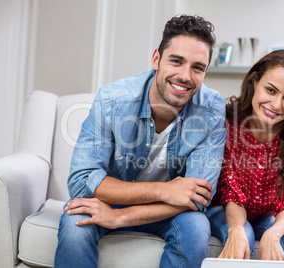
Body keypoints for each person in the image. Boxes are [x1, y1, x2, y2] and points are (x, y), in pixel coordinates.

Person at [54, 15, 226, 268]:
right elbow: (82, 182)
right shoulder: (113, 100)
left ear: (205, 71)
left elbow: (197, 199)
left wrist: (119, 218)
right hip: (125, 199)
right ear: (156, 59)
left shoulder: (212, 109)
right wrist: (165, 190)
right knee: (75, 220)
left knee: (196, 225)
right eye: (176, 61)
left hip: (169, 211)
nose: (185, 76)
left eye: (197, 67)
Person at [206, 49, 284, 261]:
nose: (276, 105)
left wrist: (274, 233)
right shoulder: (229, 119)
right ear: (254, 82)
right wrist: (237, 227)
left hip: (268, 213)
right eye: (270, 90)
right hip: (226, 209)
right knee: (243, 234)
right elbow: (230, 189)